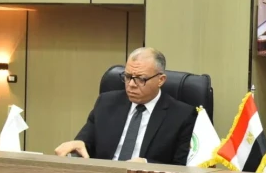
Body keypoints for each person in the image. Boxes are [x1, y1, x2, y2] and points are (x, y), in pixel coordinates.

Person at [54, 47, 196, 165]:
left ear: (161, 80)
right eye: (127, 77)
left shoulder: (182, 115)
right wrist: (77, 144)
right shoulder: (106, 102)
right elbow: (86, 142)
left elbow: (181, 166)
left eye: (140, 79)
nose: (131, 85)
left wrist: (147, 164)